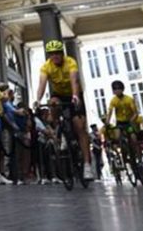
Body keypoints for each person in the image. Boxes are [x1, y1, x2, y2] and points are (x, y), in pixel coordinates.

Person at [33, 39, 94, 180]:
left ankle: (87, 165)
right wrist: (37, 100)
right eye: (52, 54)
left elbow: (74, 80)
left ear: (62, 53)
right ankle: (58, 129)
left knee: (80, 127)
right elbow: (42, 84)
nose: (55, 56)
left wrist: (75, 96)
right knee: (52, 103)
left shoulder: (70, 62)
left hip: (73, 93)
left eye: (57, 54)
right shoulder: (46, 67)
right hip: (58, 94)